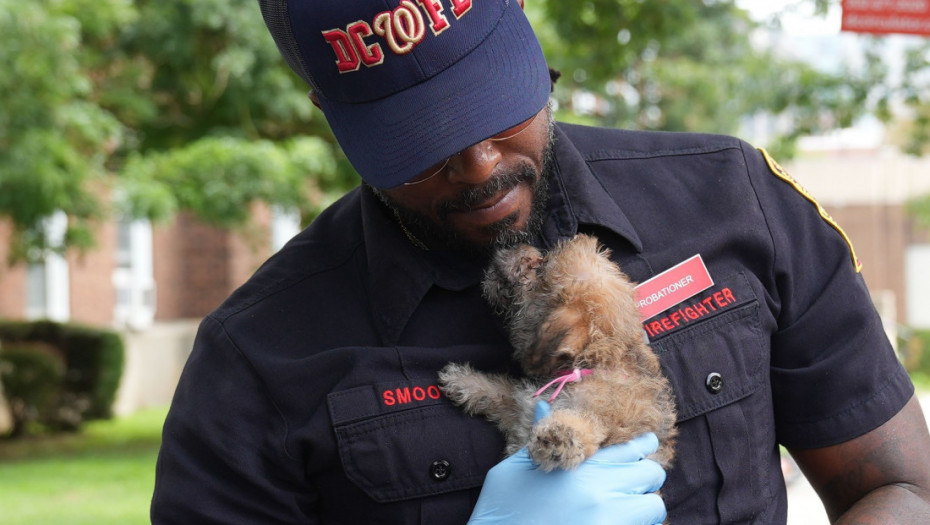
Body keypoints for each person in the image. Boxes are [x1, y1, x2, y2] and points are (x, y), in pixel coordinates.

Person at [151, 0, 930, 523]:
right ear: (330, 109)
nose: (481, 165)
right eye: (419, 144)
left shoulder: (732, 199)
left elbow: (899, 485)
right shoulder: (257, 358)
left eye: (491, 104)